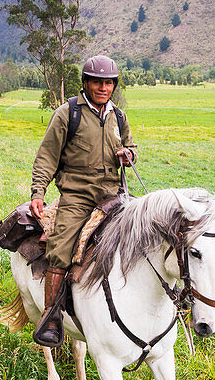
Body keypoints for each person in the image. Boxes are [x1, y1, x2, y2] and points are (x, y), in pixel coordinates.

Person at [29, 55, 137, 347]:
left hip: (114, 194)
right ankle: (51, 318)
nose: (103, 87)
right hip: (77, 196)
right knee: (61, 246)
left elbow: (130, 145)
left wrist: (129, 155)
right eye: (97, 82)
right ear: (86, 83)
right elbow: (47, 156)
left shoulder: (119, 116)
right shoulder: (68, 114)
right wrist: (38, 192)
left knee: (146, 233)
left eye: (109, 83)